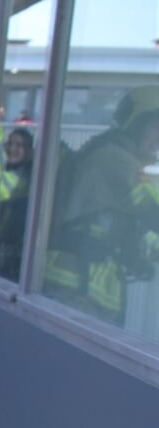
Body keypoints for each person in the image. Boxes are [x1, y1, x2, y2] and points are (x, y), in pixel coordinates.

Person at [46, 85, 159, 326]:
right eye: (155, 127)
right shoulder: (116, 159)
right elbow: (153, 212)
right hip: (76, 291)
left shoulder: (106, 153)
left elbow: (125, 223)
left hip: (84, 290)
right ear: (136, 124)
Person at [0, 126, 34, 278]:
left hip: (12, 255)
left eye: (20, 145)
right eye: (11, 143)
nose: (13, 149)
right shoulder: (5, 171)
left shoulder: (27, 179)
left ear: (30, 150)